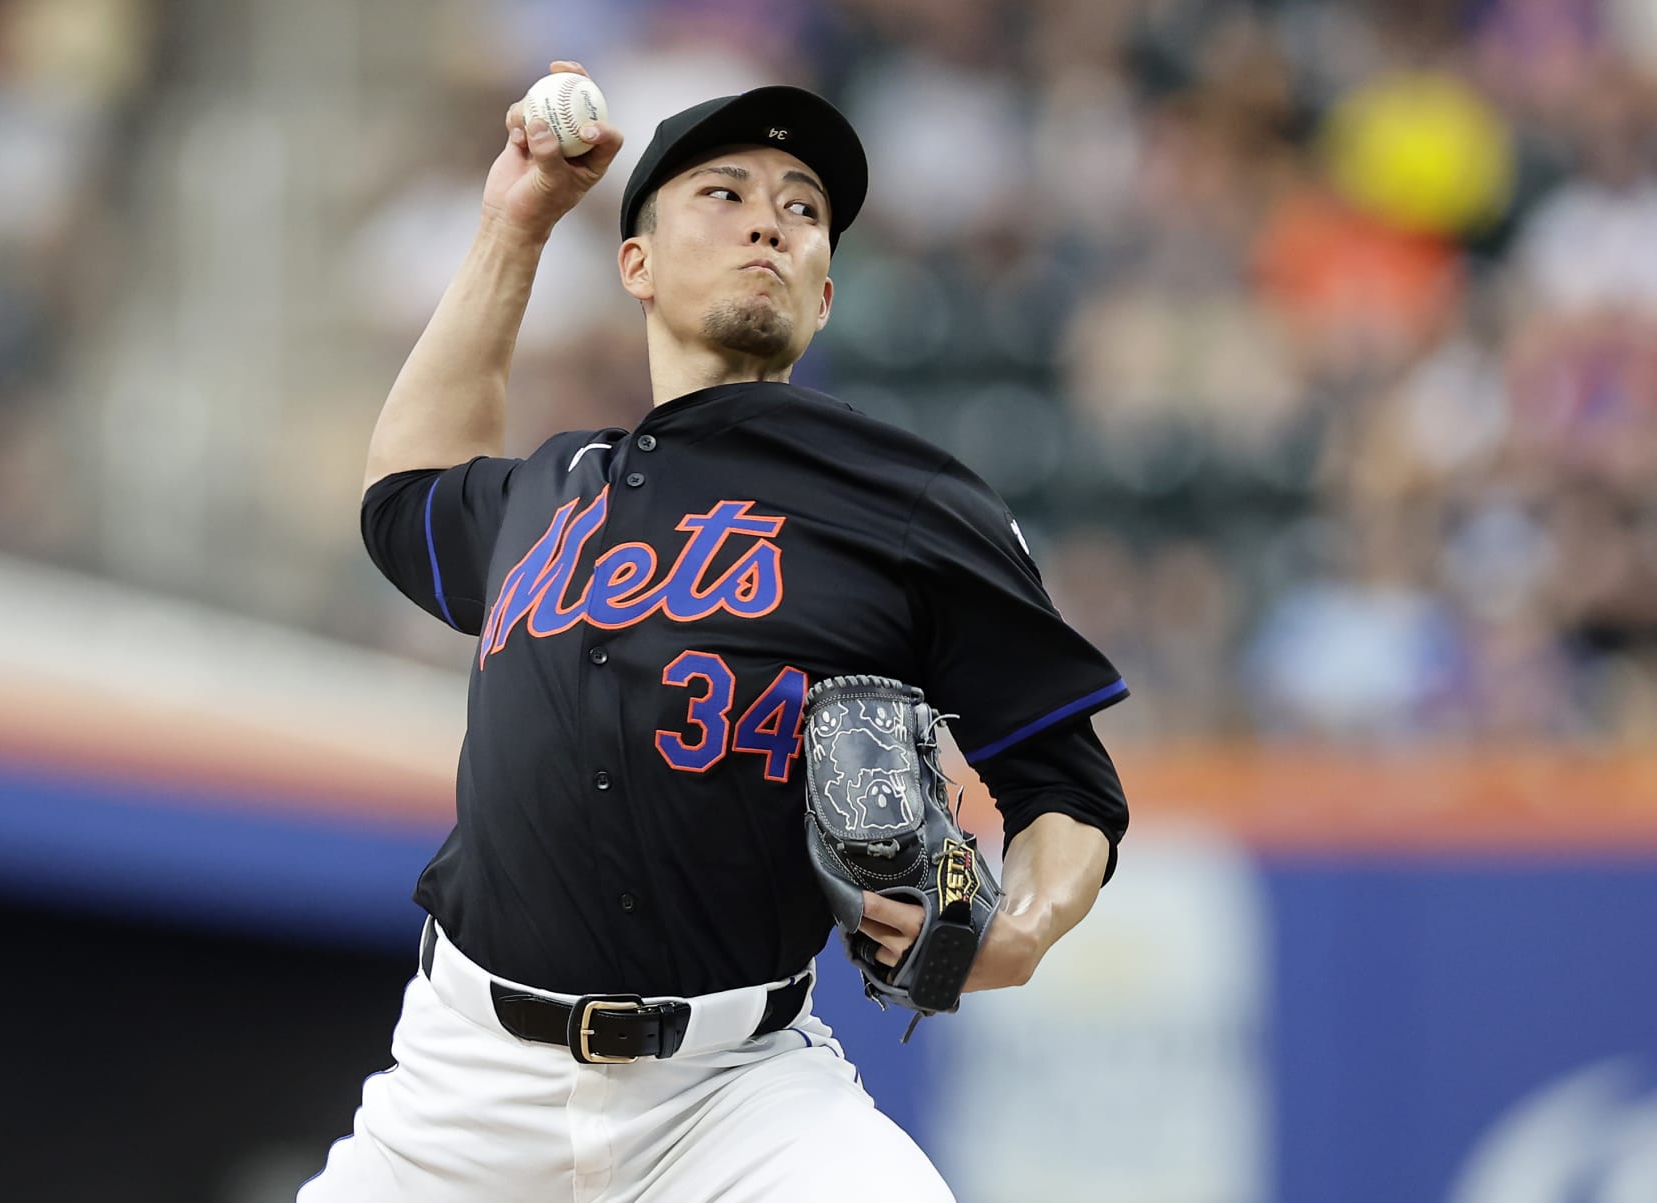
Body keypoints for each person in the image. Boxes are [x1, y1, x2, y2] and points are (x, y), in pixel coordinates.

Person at [303, 60, 1131, 1203]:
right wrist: (517, 221)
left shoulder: (912, 501)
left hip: (734, 1095)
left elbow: (1069, 788)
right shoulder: (552, 489)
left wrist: (1028, 925)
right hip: (463, 1091)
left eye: (803, 209)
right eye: (725, 194)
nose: (771, 225)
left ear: (825, 292)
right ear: (634, 264)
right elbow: (407, 493)